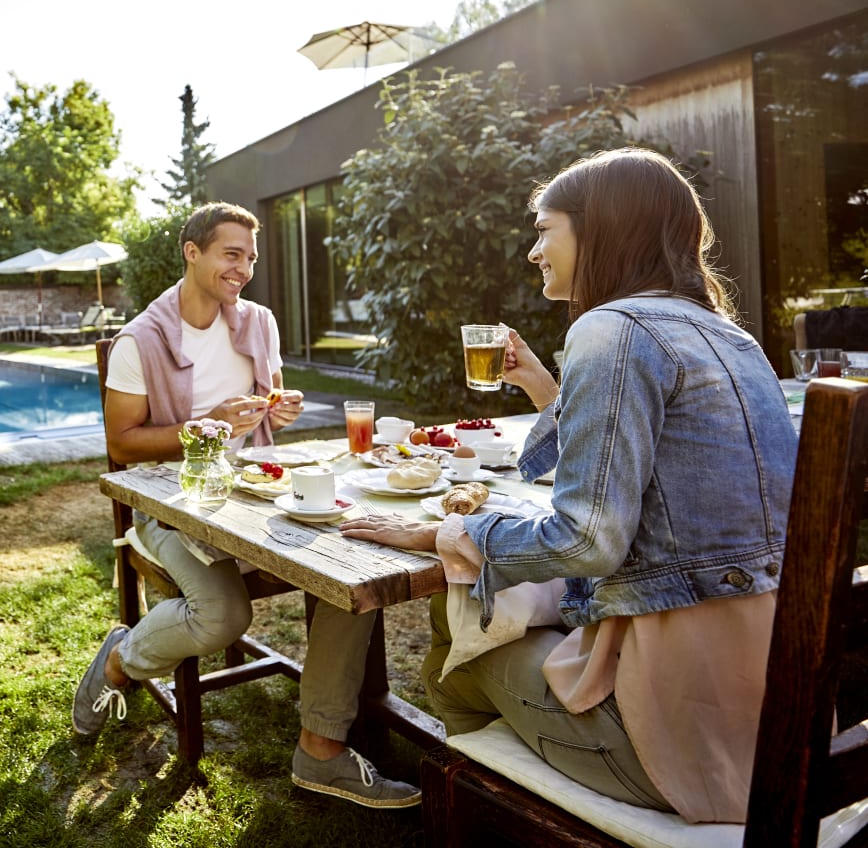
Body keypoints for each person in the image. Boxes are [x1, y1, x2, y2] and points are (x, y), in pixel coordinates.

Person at [340, 147, 797, 822]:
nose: (533, 252)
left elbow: (587, 539)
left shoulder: (611, 329)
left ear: (602, 229)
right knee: (501, 600)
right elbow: (640, 465)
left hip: (680, 736)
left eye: (544, 229)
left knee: (455, 650)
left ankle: (504, 815)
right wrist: (541, 385)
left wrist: (446, 532)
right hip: (779, 711)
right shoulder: (731, 338)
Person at [71, 201, 421, 808]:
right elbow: (122, 444)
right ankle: (120, 660)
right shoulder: (141, 340)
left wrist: (276, 412)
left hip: (255, 495)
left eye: (251, 258)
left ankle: (321, 748)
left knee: (353, 562)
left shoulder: (259, 321)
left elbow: (266, 405)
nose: (244, 269)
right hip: (170, 505)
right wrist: (205, 424)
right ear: (192, 252)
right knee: (223, 617)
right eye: (231, 254)